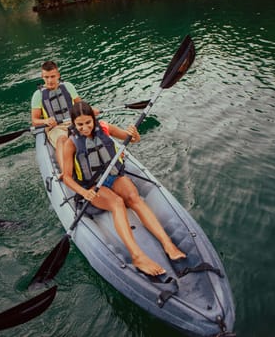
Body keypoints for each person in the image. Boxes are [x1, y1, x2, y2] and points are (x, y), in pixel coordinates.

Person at [62, 101, 186, 276]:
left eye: (88, 122)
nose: (85, 128)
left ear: (93, 119)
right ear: (74, 124)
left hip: (113, 176)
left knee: (133, 197)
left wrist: (134, 134)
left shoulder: (104, 127)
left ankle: (168, 244)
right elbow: (66, 177)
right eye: (80, 124)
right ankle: (137, 256)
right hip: (93, 185)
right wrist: (84, 192)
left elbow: (133, 139)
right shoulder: (71, 143)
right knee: (117, 203)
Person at [31, 61, 86, 174]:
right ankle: (66, 173)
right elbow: (35, 121)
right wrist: (46, 120)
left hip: (73, 122)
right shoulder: (38, 95)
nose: (50, 80)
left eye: (52, 76)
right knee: (63, 140)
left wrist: (88, 111)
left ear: (58, 75)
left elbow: (80, 105)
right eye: (46, 77)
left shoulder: (68, 86)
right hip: (55, 128)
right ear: (42, 77)